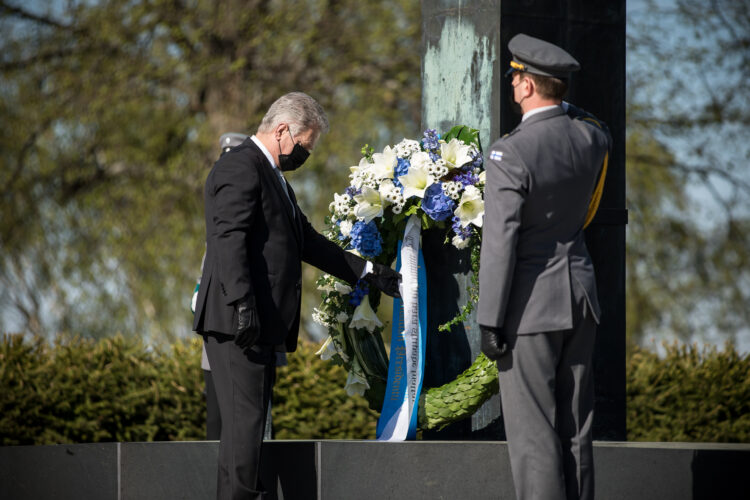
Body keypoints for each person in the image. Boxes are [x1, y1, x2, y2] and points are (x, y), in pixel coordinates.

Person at [192, 92, 401, 500]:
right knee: (243, 437)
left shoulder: (274, 178)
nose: (305, 155)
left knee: (245, 439)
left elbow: (307, 242)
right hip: (238, 324)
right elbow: (227, 238)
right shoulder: (241, 167)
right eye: (305, 146)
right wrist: (242, 303)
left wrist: (370, 273)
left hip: (257, 326)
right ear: (282, 130)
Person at [478, 34, 611, 500]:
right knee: (577, 433)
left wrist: (489, 319)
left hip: (531, 306)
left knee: (534, 439)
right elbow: (584, 125)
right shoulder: (593, 137)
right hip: (581, 297)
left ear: (529, 86)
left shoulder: (510, 152)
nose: (512, 85)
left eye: (516, 77)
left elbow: (500, 243)